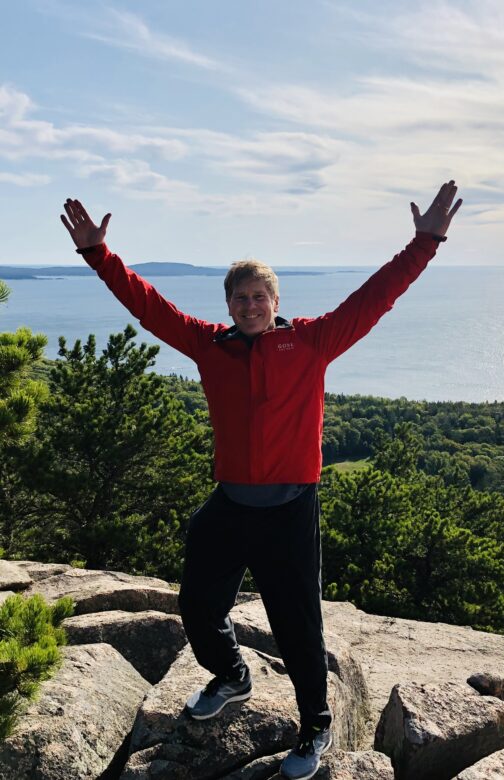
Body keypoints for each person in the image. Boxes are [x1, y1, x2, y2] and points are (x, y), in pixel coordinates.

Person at [61, 181, 462, 780]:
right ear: (229, 305)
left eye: (258, 296)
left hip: (290, 511)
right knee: (197, 604)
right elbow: (147, 304)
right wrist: (99, 255)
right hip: (229, 505)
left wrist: (425, 241)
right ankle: (231, 674)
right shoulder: (208, 346)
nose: (249, 305)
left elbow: (376, 297)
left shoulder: (313, 341)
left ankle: (316, 723)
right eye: (239, 298)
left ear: (275, 300)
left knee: (297, 625)